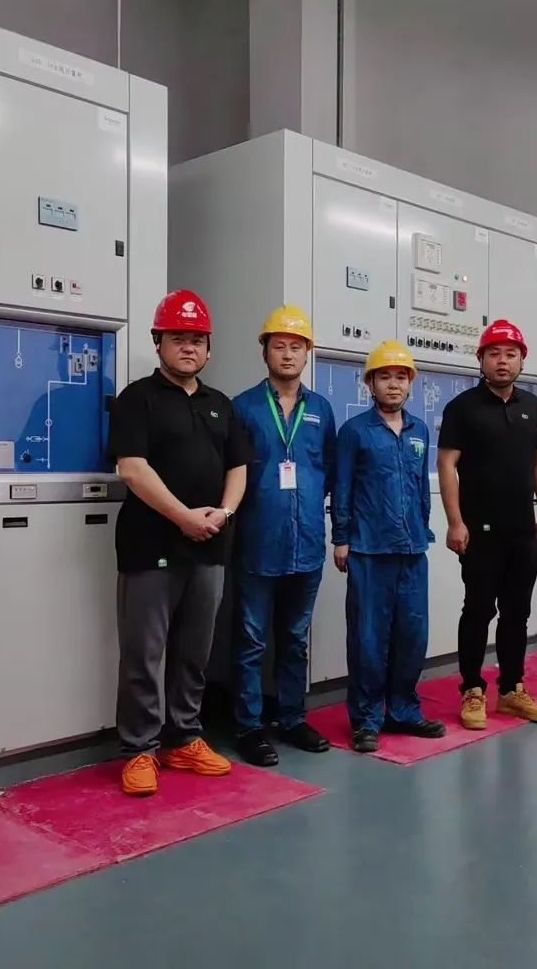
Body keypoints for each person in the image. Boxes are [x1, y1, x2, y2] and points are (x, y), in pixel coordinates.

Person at [108, 288, 251, 797]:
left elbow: (238, 468)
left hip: (209, 546)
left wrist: (224, 513)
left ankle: (183, 737)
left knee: (194, 651)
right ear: (159, 343)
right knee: (144, 653)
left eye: (197, 339)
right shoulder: (137, 399)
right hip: (150, 547)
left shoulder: (221, 406)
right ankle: (139, 748)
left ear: (208, 348)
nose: (188, 347)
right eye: (177, 338)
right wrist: (183, 517)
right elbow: (132, 468)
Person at [230, 305, 336, 766]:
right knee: (251, 641)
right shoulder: (243, 407)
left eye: (296, 346)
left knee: (295, 638)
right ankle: (248, 727)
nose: (288, 354)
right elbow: (231, 471)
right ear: (265, 352)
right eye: (280, 346)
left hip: (307, 544)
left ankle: (292, 718)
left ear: (307, 353)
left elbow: (327, 469)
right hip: (258, 543)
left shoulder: (322, 409)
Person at [437, 318, 537, 731]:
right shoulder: (462, 408)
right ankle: (472, 689)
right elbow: (447, 465)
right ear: (481, 360)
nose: (502, 361)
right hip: (479, 531)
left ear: (522, 361)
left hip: (522, 531)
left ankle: (511, 690)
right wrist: (455, 522)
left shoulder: (532, 407)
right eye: (494, 354)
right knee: (478, 609)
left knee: (517, 612)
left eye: (511, 354)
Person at [332, 340, 446, 753]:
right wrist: (341, 538)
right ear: (370, 383)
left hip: (412, 550)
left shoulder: (419, 430)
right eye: (385, 377)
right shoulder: (354, 432)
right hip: (368, 550)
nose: (393, 384)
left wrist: (423, 529)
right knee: (368, 638)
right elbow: (342, 487)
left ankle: (403, 711)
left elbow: (421, 490)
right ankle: (366, 719)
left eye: (401, 377)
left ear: (410, 383)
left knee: (412, 635)